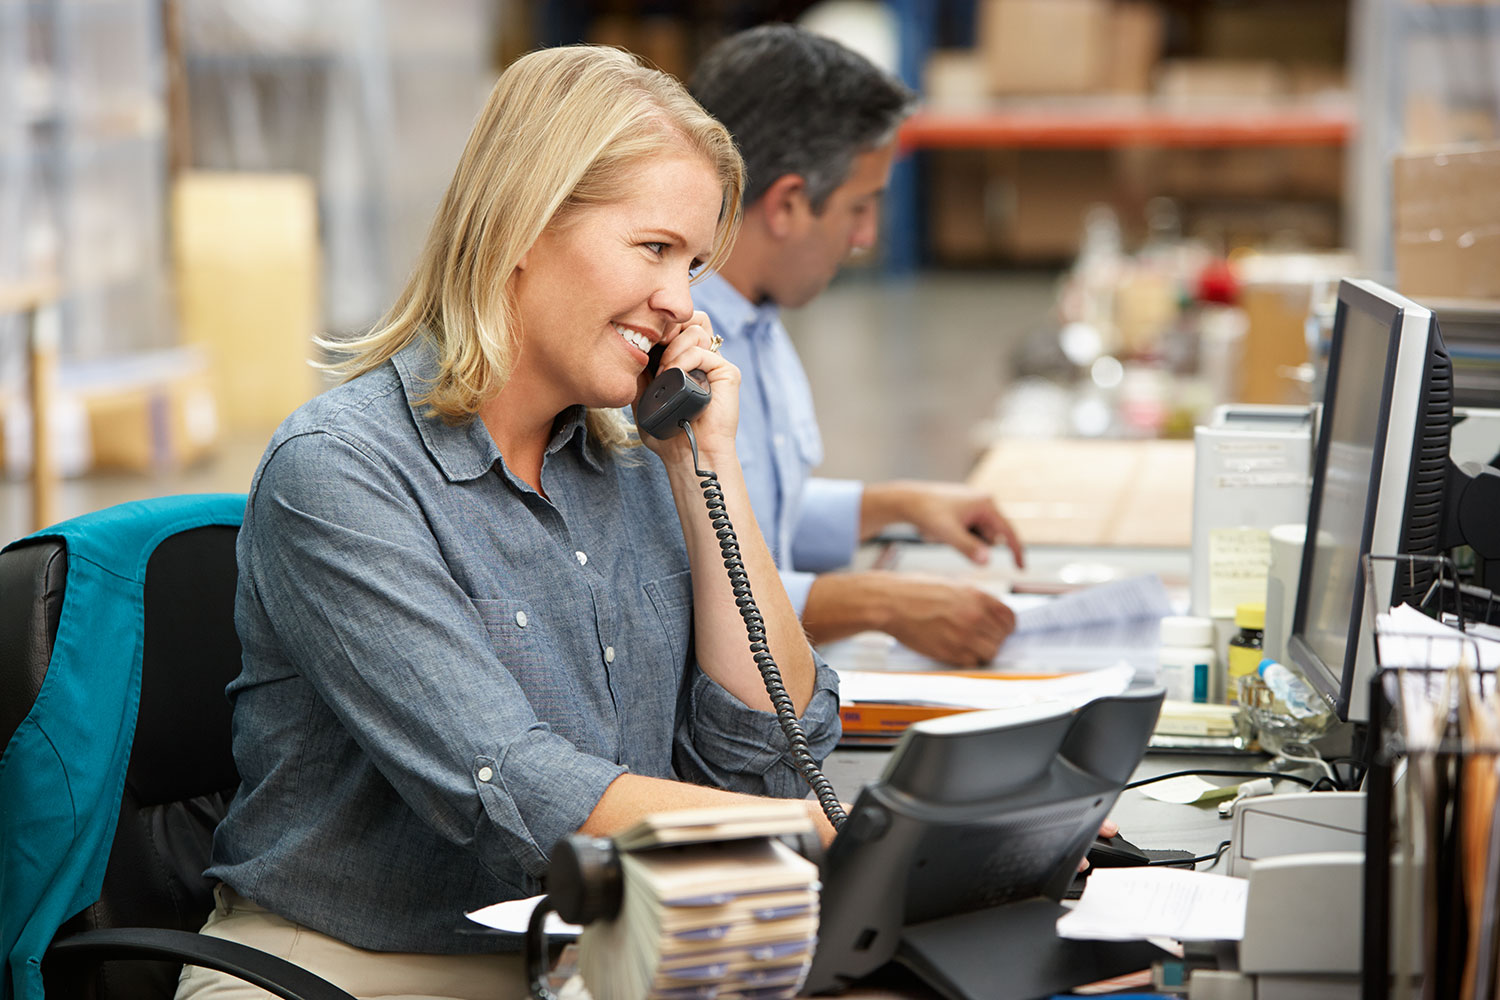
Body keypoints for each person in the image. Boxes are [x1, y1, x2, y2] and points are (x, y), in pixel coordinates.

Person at [177, 45, 841, 1000]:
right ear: (524, 223)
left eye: (694, 264)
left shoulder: (635, 467)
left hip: (590, 953)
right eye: (654, 249)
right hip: (346, 967)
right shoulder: (342, 471)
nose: (681, 304)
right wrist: (824, 835)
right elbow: (512, 785)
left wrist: (709, 471)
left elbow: (767, 760)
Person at [688, 26, 1025, 668]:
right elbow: (685, 588)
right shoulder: (674, 357)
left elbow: (749, 516)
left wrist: (894, 506)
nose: (866, 236)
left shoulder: (757, 319)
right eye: (860, 207)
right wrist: (881, 604)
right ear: (788, 203)